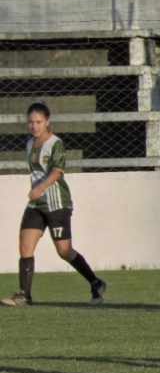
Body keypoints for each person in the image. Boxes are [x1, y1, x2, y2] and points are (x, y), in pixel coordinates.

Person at [1, 102, 107, 307]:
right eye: (31, 122)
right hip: (36, 205)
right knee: (25, 246)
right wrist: (36, 193)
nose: (34, 126)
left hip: (56, 204)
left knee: (64, 251)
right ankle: (24, 295)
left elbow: (57, 171)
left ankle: (96, 282)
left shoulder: (55, 144)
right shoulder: (30, 143)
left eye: (38, 122)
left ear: (47, 122)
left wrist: (40, 188)